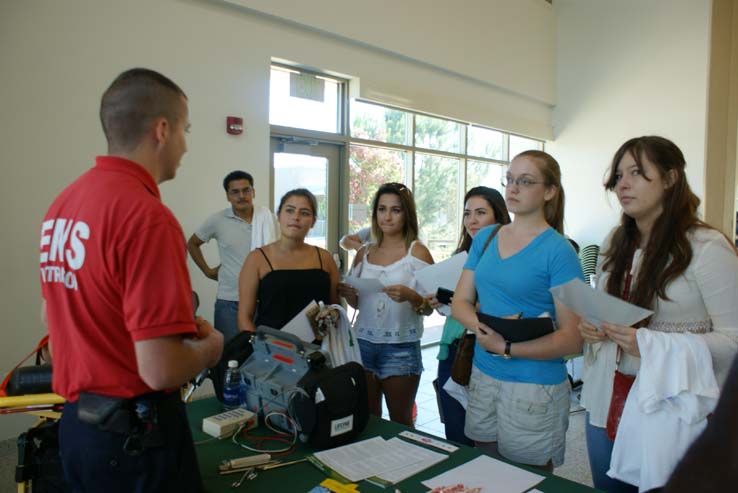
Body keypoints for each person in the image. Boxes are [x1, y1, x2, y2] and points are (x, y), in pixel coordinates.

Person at [39, 68, 223, 492]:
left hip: (78, 431)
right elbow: (161, 370)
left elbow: (55, 315)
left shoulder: (63, 204)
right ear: (162, 129)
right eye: (185, 130)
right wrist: (209, 349)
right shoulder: (147, 218)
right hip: (135, 440)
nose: (186, 146)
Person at [577, 136, 738, 492]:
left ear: (670, 178)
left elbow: (734, 341)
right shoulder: (614, 241)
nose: (623, 184)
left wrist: (651, 343)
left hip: (671, 405)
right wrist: (592, 327)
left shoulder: (706, 248)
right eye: (618, 175)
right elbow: (606, 309)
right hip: (605, 398)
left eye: (637, 172)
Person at [451, 150, 583, 471]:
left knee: (528, 477)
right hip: (484, 372)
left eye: (525, 182)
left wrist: (507, 346)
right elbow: (460, 302)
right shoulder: (486, 238)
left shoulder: (560, 252)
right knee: (486, 468)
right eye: (509, 180)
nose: (513, 189)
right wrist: (486, 332)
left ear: (549, 191)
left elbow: (573, 339)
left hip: (533, 386)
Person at [338, 183, 434, 426]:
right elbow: (358, 304)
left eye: (395, 210)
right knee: (368, 419)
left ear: (407, 214)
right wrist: (348, 293)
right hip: (363, 344)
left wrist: (411, 296)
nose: (387, 217)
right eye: (382, 209)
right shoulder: (364, 252)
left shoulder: (417, 253)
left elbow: (430, 308)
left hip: (400, 347)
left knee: (400, 422)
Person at [429, 186, 511, 446]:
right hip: (453, 350)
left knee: (487, 435)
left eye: (480, 213)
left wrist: (469, 306)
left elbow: (511, 313)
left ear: (498, 217)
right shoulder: (459, 258)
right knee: (454, 431)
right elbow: (453, 313)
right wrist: (441, 301)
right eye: (467, 214)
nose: (472, 221)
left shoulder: (508, 258)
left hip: (486, 350)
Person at [187, 171, 278, 340]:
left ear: (253, 192)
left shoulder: (268, 219)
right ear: (228, 196)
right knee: (230, 356)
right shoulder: (218, 220)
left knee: (263, 356)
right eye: (235, 192)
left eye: (246, 190)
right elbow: (192, 244)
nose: (242, 196)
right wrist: (207, 271)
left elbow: (280, 252)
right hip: (230, 301)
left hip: (265, 300)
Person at [238, 188, 339, 333]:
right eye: (290, 210)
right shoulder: (257, 259)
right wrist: (261, 349)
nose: (296, 217)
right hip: (273, 349)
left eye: (304, 213)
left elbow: (335, 307)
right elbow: (244, 318)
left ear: (313, 222)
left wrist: (333, 314)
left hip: (318, 350)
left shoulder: (325, 258)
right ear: (279, 216)